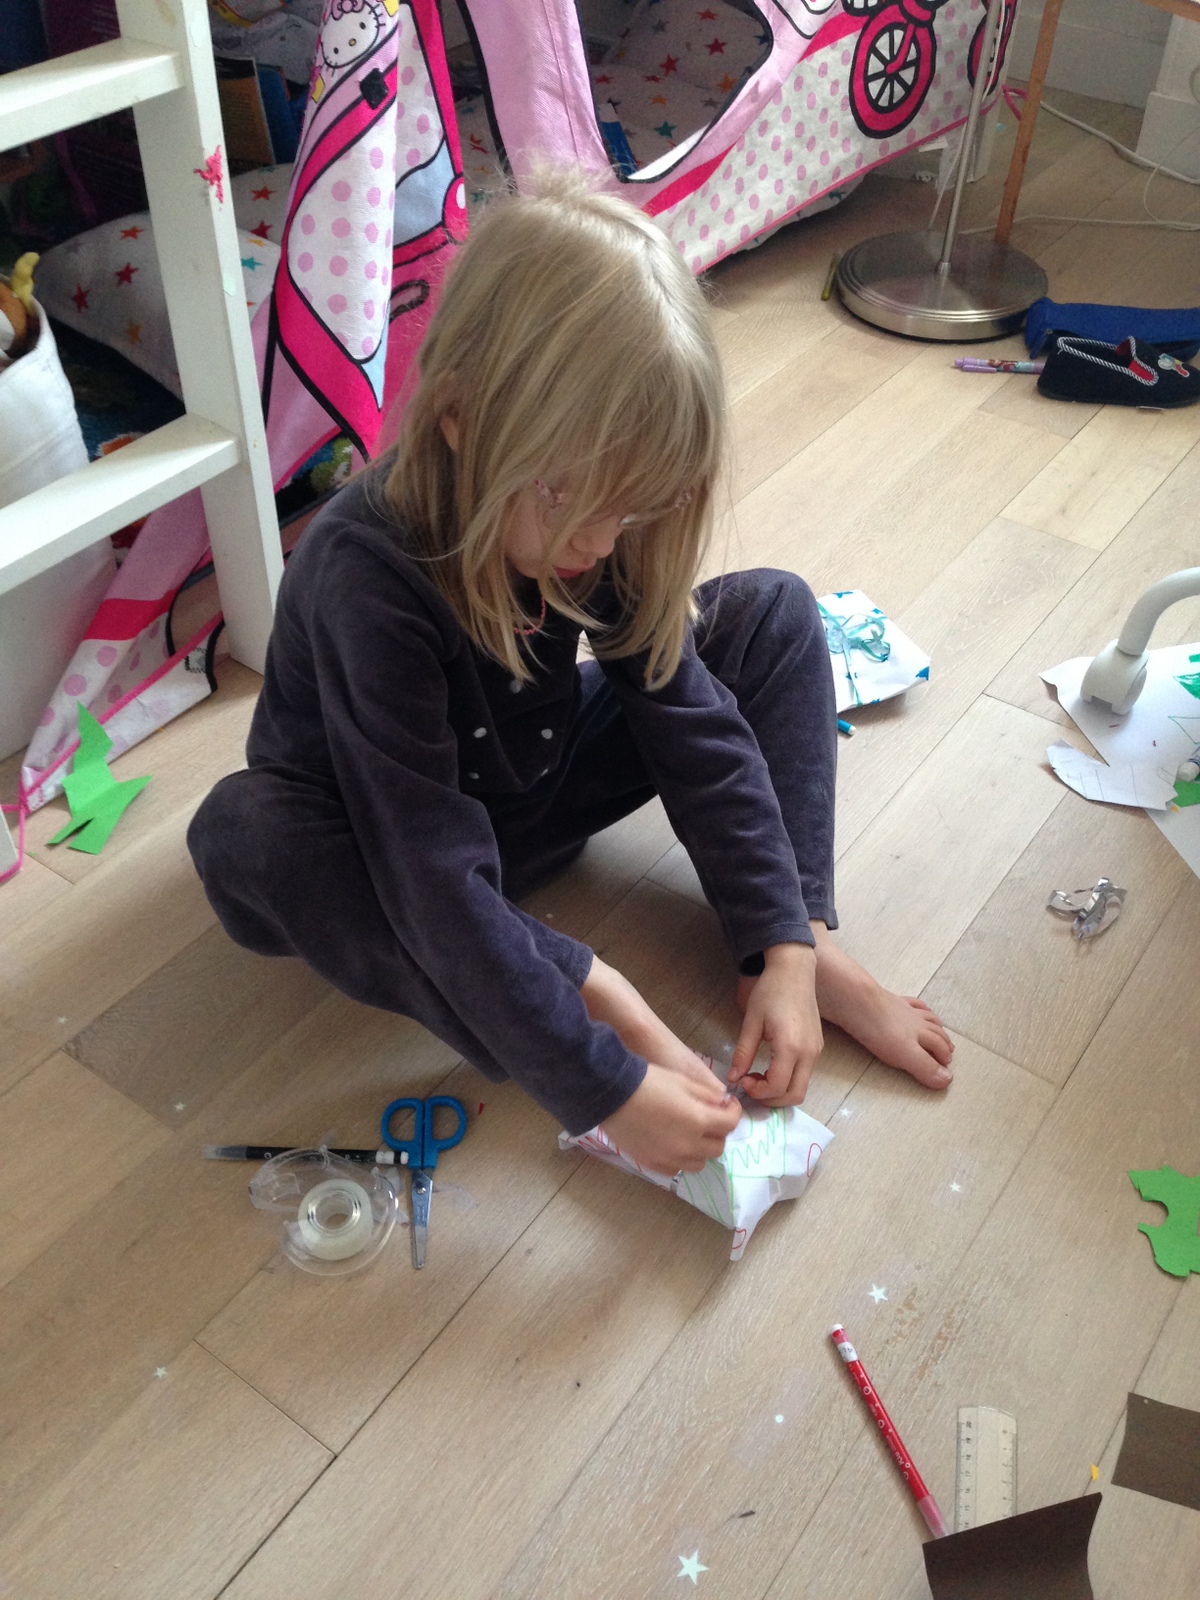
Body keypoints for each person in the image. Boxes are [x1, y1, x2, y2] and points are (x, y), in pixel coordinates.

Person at [188, 171, 953, 1178]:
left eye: (628, 512)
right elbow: (431, 879)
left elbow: (689, 720)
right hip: (388, 843)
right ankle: (563, 973)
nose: (601, 542)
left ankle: (800, 938)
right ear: (460, 420)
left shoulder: (590, 513)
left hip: (527, 788)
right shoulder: (363, 574)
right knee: (246, 833)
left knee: (774, 614)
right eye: (575, 505)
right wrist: (605, 1049)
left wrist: (784, 942)